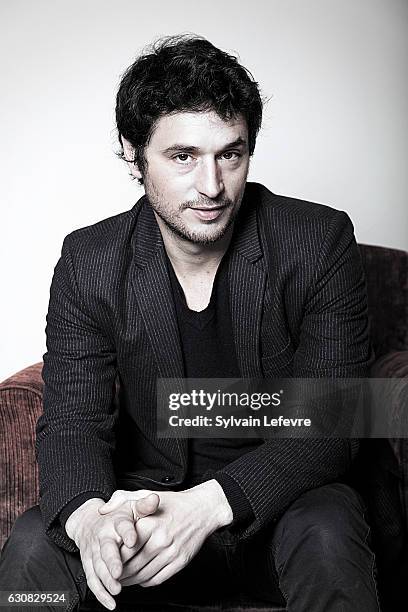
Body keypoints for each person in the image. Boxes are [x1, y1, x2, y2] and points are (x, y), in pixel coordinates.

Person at [0, 35, 380, 611]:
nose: (211, 186)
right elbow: (74, 420)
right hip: (145, 521)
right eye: (182, 157)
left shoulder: (316, 242)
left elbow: (336, 423)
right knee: (33, 552)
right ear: (134, 153)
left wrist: (206, 506)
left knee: (328, 531)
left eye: (231, 153)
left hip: (279, 514)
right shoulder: (91, 262)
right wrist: (90, 522)